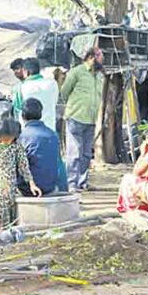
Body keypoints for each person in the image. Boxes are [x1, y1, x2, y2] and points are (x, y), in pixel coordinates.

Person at [0, 118, 40, 233]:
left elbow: (23, 167)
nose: (6, 141)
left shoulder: (17, 148)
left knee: (4, 210)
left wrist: (32, 183)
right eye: (4, 139)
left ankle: (3, 235)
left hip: (8, 185)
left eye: (9, 139)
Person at [61, 39, 103, 192]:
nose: (102, 59)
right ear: (91, 57)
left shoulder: (99, 76)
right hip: (75, 117)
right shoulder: (76, 72)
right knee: (74, 152)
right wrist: (73, 106)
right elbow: (64, 92)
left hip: (91, 119)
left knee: (86, 154)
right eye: (99, 56)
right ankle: (71, 183)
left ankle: (82, 182)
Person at [17, 98, 65, 196]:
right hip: (50, 187)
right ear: (41, 115)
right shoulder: (53, 135)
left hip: (28, 189)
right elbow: (59, 165)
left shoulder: (21, 137)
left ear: (22, 116)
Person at [19, 58, 59, 131]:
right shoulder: (52, 84)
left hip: (29, 132)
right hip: (50, 129)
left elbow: (17, 110)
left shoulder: (21, 87)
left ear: (25, 72)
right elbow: (54, 102)